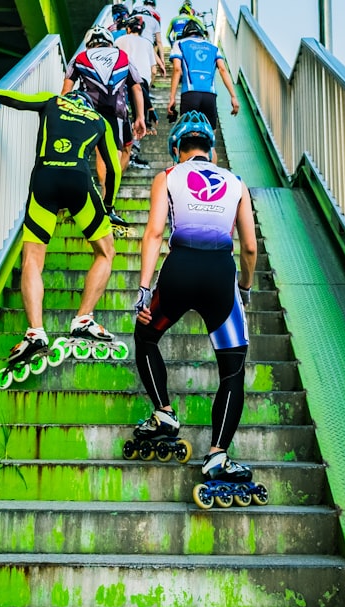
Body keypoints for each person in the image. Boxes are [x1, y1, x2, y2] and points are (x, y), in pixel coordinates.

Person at [133, 111, 258, 485]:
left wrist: (144, 291)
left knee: (146, 337)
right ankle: (217, 455)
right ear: (212, 152)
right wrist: (245, 289)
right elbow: (249, 248)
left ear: (176, 149)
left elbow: (154, 233)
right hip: (221, 275)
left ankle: (164, 413)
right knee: (232, 369)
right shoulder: (237, 182)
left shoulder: (167, 176)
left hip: (179, 269)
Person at [0, 88, 124, 367]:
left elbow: (18, 99)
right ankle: (83, 319)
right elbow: (113, 169)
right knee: (106, 252)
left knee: (32, 258)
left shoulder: (52, 100)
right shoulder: (98, 119)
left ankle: (35, 332)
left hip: (44, 178)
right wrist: (109, 205)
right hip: (79, 182)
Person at [62, 26, 146, 195]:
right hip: (118, 112)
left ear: (88, 43)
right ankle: (108, 196)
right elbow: (137, 87)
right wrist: (140, 117)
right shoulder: (123, 56)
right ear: (110, 42)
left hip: (89, 112)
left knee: (103, 153)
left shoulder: (80, 57)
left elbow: (66, 92)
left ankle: (107, 190)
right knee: (123, 152)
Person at [167, 20, 239, 129]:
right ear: (201, 34)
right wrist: (233, 96)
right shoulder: (214, 48)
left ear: (185, 34)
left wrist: (172, 97)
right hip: (210, 95)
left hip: (189, 93)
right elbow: (223, 70)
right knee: (211, 134)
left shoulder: (179, 44)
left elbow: (177, 70)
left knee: (187, 132)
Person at [115, 14, 166, 143]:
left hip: (123, 77)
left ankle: (127, 132)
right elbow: (153, 70)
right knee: (140, 94)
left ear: (128, 28)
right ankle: (143, 127)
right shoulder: (148, 43)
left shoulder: (120, 40)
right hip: (143, 79)